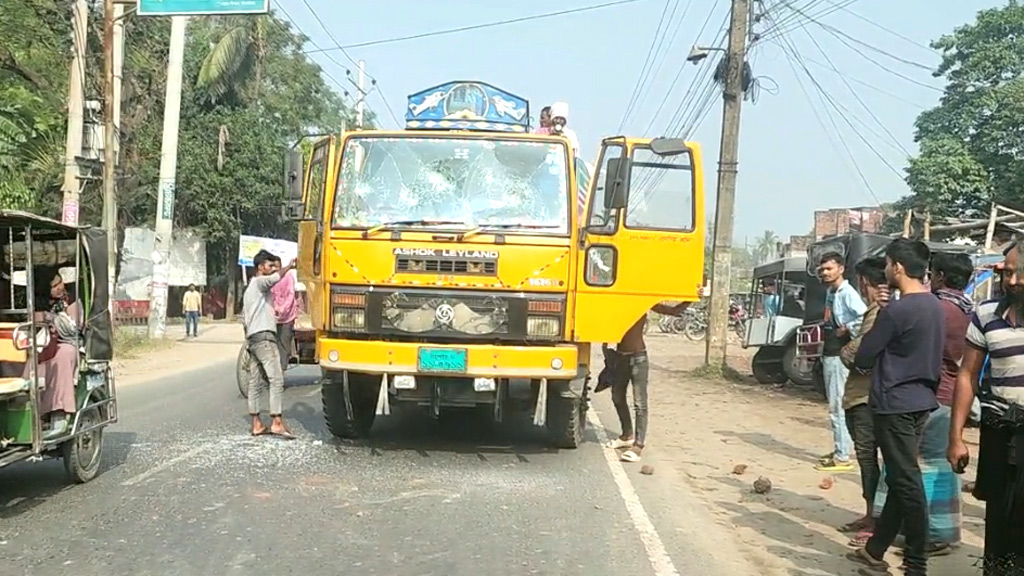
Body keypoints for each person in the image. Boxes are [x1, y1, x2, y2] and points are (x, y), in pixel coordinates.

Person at [847, 238, 943, 576]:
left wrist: (880, 314)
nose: (885, 270)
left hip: (894, 404)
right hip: (921, 402)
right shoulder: (934, 305)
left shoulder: (896, 311)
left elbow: (862, 356)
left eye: (887, 264)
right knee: (901, 477)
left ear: (898, 268)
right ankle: (875, 549)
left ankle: (916, 564)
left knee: (906, 483)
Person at [948, 241, 1024, 576]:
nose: (1012, 280)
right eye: (1007, 272)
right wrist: (956, 437)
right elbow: (966, 374)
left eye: (1020, 273)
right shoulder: (986, 315)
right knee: (998, 521)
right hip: (999, 434)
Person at [602, 301, 692, 463]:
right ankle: (627, 435)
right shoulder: (614, 297)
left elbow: (673, 311)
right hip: (621, 357)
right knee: (617, 396)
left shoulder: (642, 299)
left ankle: (638, 445)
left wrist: (691, 296)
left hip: (638, 358)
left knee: (640, 403)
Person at [838, 257, 887, 547]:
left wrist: (847, 351)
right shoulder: (877, 310)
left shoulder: (878, 312)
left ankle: (874, 518)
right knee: (868, 460)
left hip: (865, 397)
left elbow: (858, 353)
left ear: (864, 282)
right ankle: (871, 514)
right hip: (861, 395)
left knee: (869, 461)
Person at [817, 252, 866, 472]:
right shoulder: (832, 292)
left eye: (829, 268)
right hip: (829, 352)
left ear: (841, 269)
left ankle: (842, 456)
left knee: (837, 405)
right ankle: (841, 448)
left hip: (840, 355)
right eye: (823, 269)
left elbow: (864, 317)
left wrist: (847, 328)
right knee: (835, 403)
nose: (826, 273)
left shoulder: (848, 293)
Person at [243, 249, 297, 439]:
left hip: (253, 339)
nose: (273, 268)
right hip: (265, 338)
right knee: (276, 380)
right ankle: (276, 422)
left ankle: (256, 423)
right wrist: (289, 266)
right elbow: (275, 279)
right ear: (260, 267)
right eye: (270, 265)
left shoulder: (250, 288)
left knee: (255, 383)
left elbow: (245, 320)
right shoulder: (259, 283)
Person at [36, 272, 82, 438]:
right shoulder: (32, 300)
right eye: (55, 286)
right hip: (37, 343)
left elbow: (73, 330)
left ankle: (59, 410)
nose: (60, 287)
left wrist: (48, 318)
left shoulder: (71, 300)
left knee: (64, 355)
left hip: (65, 342)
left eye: (60, 283)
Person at [270, 256, 299, 373]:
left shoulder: (288, 277)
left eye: (277, 267)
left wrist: (282, 309)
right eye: (272, 267)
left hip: (287, 316)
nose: (275, 269)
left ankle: (281, 370)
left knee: (284, 343)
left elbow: (290, 296)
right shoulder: (269, 279)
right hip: (272, 316)